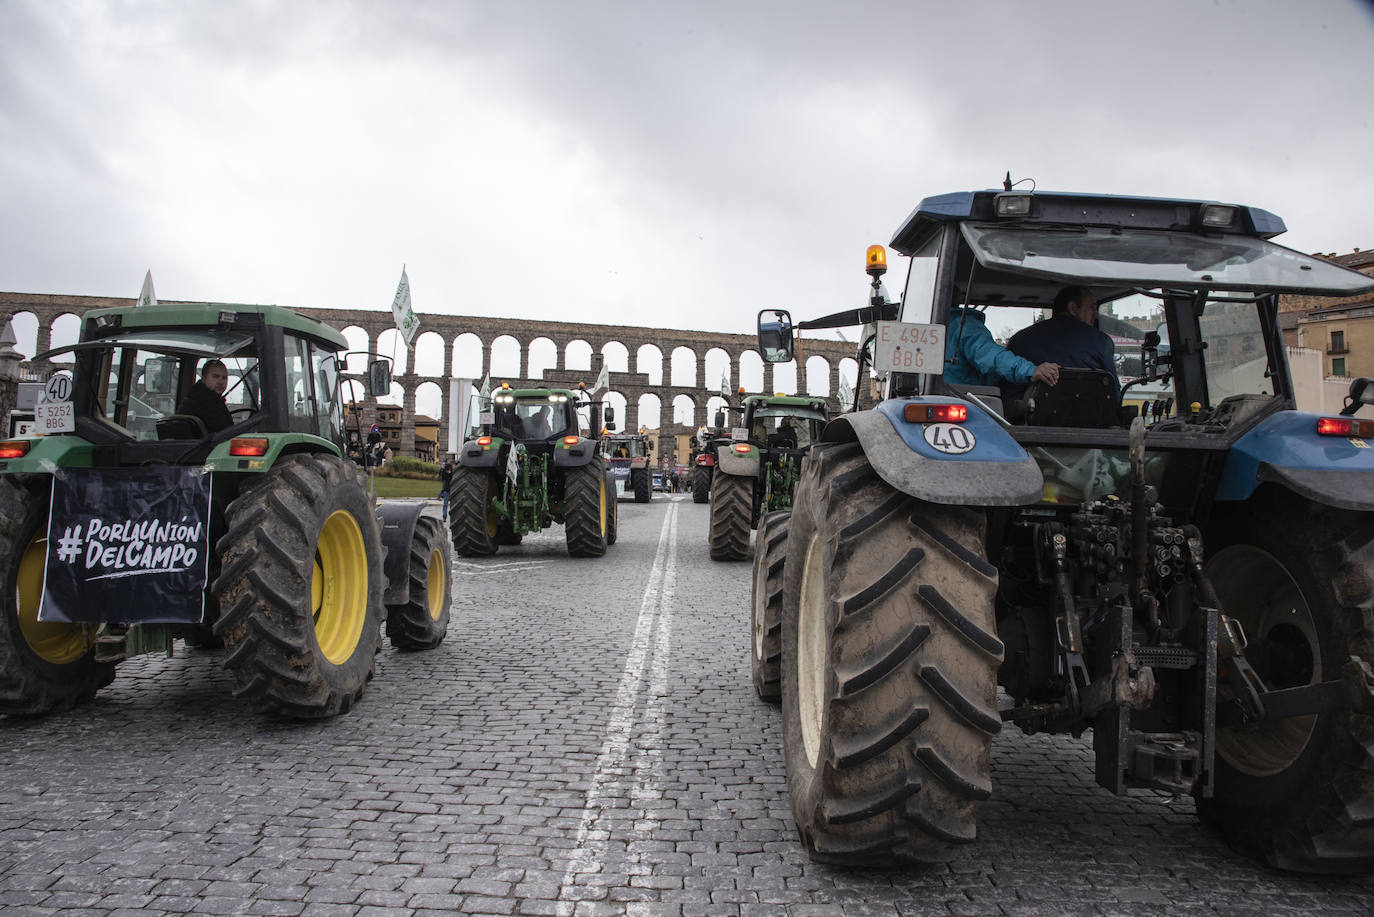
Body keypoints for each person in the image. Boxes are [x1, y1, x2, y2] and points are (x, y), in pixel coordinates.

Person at [1006, 286, 1117, 393]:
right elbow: (1113, 392)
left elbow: (1007, 390)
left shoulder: (1019, 340)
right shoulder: (1102, 342)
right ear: (1073, 308)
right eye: (1092, 308)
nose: (1096, 315)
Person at [944, 305, 1060, 391]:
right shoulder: (964, 326)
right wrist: (1030, 371)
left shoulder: (930, 325)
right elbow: (992, 357)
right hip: (962, 398)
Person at [177, 358, 233, 433]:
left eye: (224, 378)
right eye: (215, 376)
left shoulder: (192, 397)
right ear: (203, 379)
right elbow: (227, 432)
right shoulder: (209, 404)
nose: (220, 382)